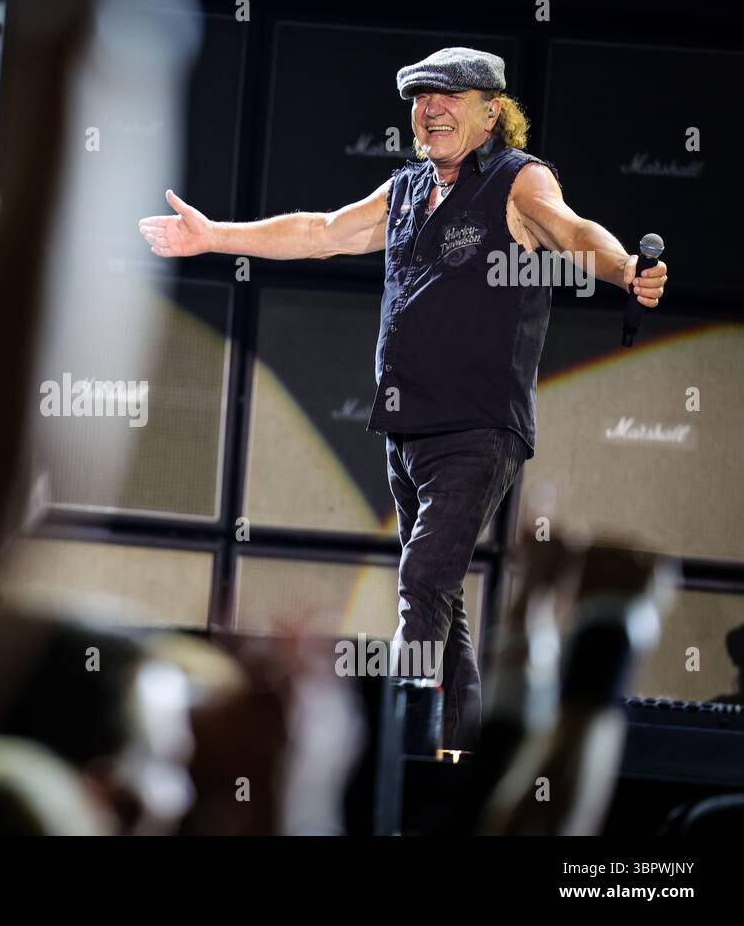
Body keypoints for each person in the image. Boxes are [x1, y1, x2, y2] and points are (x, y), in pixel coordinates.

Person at [137, 46, 668, 750]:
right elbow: (322, 231)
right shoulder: (409, 189)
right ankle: (456, 753)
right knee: (440, 596)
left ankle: (399, 749)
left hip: (478, 428)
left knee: (422, 577)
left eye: (449, 95)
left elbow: (573, 234)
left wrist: (627, 268)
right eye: (421, 97)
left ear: (492, 111)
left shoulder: (519, 182)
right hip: (407, 426)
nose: (431, 108)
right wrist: (212, 236)